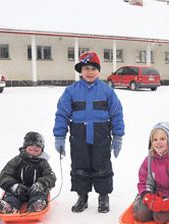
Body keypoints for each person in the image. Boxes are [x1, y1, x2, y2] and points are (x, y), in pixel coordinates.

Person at [53, 51, 125, 213]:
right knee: (80, 166)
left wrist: (118, 136)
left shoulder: (107, 91)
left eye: (93, 68)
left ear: (98, 71)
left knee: (102, 165)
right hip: (79, 136)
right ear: (80, 71)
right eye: (86, 68)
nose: (90, 72)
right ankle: (82, 196)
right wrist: (59, 136)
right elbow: (62, 114)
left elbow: (117, 114)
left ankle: (103, 197)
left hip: (101, 135)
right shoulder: (71, 91)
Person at [133, 122, 169, 224]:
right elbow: (143, 181)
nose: (158, 142)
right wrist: (147, 195)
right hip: (155, 194)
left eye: (162, 139)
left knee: (160, 217)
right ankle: (141, 200)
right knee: (141, 215)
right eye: (155, 140)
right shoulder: (149, 160)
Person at [0, 132, 57, 214]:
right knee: (11, 196)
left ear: (42, 150)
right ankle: (10, 207)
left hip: (36, 190)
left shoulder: (43, 163)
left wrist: (41, 184)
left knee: (40, 195)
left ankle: (35, 206)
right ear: (25, 148)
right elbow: (5, 175)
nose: (33, 152)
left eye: (37, 150)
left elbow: (50, 176)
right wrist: (13, 186)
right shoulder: (17, 161)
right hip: (19, 190)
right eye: (31, 149)